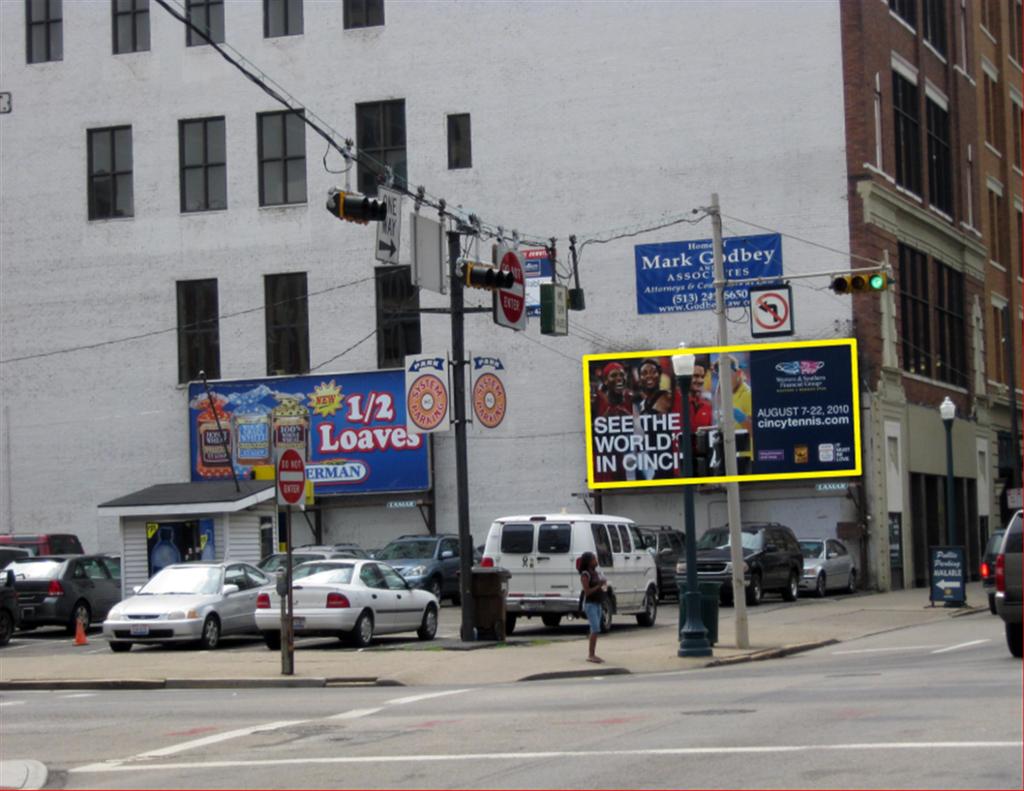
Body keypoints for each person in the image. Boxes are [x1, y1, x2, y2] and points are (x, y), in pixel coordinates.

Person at [579, 551, 608, 663]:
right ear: (588, 561)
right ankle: (591, 655)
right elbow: (587, 592)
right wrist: (598, 585)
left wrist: (603, 586)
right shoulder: (585, 575)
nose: (596, 561)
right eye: (594, 559)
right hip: (590, 604)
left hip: (598, 603)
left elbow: (601, 587)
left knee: (595, 628)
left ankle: (593, 653)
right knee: (595, 628)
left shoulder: (595, 573)